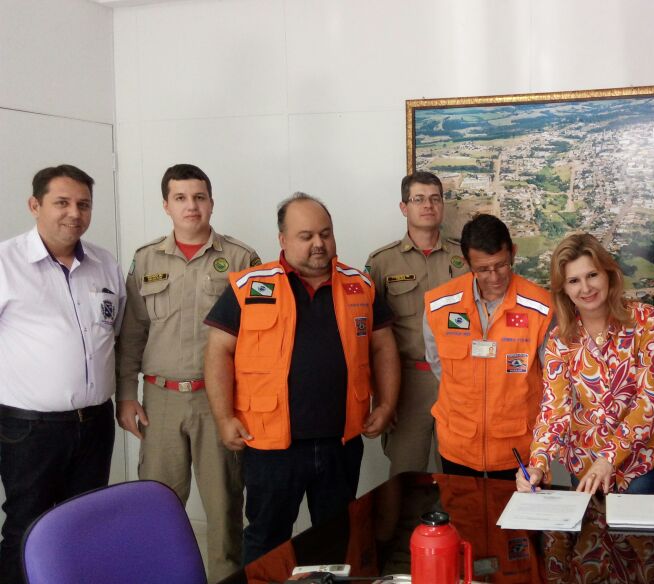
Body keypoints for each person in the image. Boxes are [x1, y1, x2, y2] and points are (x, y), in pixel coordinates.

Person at [203, 192, 400, 563]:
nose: (319, 244)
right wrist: (224, 417)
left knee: (335, 537)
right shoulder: (249, 286)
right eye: (306, 236)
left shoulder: (360, 284)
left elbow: (383, 347)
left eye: (325, 233)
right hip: (271, 445)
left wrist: (387, 403)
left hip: (340, 442)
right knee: (267, 538)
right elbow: (218, 353)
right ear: (282, 239)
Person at [115, 164, 259, 580]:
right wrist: (126, 394)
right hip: (160, 401)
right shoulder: (146, 258)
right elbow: (133, 332)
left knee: (224, 507)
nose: (191, 206)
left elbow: (257, 338)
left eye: (199, 197)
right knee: (157, 505)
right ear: (166, 205)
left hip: (219, 402)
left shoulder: (242, 258)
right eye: (180, 198)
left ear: (211, 202)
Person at [0, 165, 125, 584]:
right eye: (62, 202)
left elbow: (114, 333)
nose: (74, 213)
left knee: (86, 523)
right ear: (34, 205)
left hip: (94, 424)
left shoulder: (104, 263)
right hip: (29, 429)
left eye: (83, 204)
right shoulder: (6, 262)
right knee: (28, 526)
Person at [518, 233, 654, 495]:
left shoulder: (646, 320)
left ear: (608, 274)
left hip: (639, 459)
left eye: (592, 275)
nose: (585, 288)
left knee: (631, 524)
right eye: (574, 281)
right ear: (564, 289)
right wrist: (537, 463)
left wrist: (608, 459)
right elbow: (554, 409)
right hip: (585, 460)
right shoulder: (559, 339)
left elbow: (651, 400)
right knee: (589, 523)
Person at [422, 213, 553, 480]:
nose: (494, 277)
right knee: (459, 508)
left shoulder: (541, 308)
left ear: (513, 252)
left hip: (517, 448)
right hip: (457, 445)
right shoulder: (439, 305)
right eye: (483, 269)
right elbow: (438, 364)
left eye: (501, 265)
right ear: (467, 263)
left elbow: (553, 380)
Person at [366, 171, 467, 476]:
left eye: (435, 199)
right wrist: (383, 397)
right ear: (404, 207)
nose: (428, 206)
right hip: (408, 382)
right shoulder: (382, 262)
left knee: (458, 475)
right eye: (418, 199)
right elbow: (369, 335)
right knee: (406, 474)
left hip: (458, 380)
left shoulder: (465, 257)